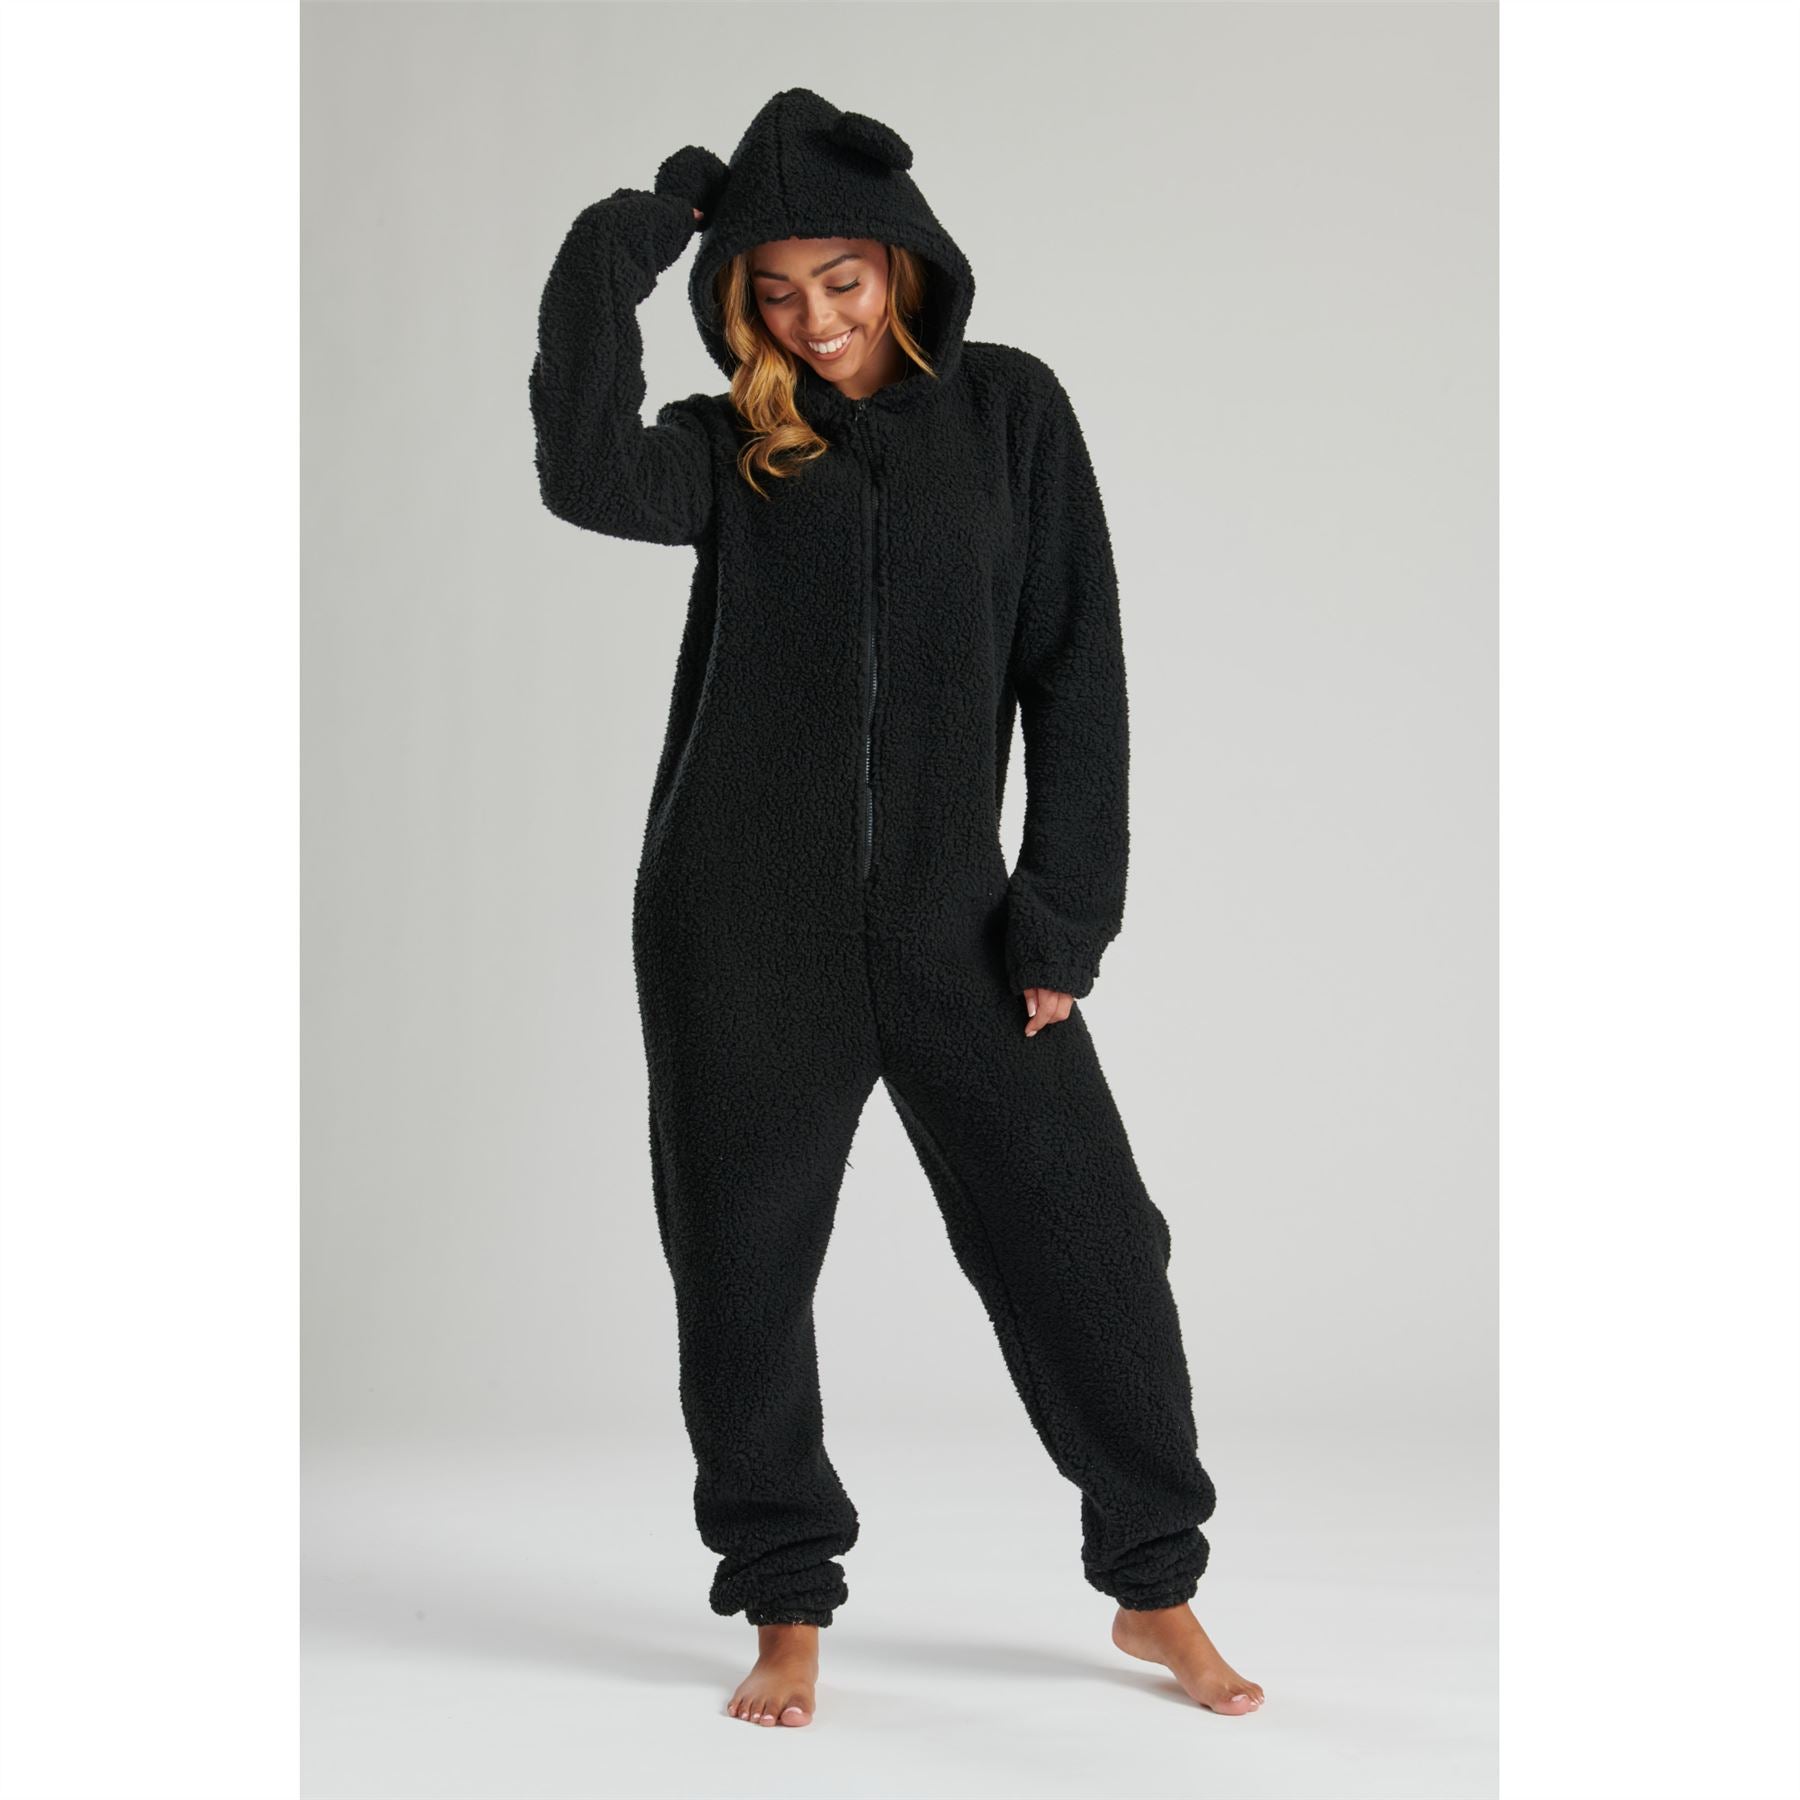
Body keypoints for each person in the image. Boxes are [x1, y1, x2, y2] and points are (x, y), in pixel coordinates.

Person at [528, 85, 1262, 1728]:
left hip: (962, 932)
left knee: (1092, 1251)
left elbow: (1078, 670)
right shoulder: (729, 446)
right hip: (738, 933)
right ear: (741, 302)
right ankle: (784, 1598)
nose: (818, 318)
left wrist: (1063, 921)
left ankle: (1156, 1585)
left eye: (843, 280)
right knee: (742, 1273)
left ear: (903, 264)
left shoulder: (1012, 413)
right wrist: (631, 237)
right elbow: (581, 467)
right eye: (776, 290)